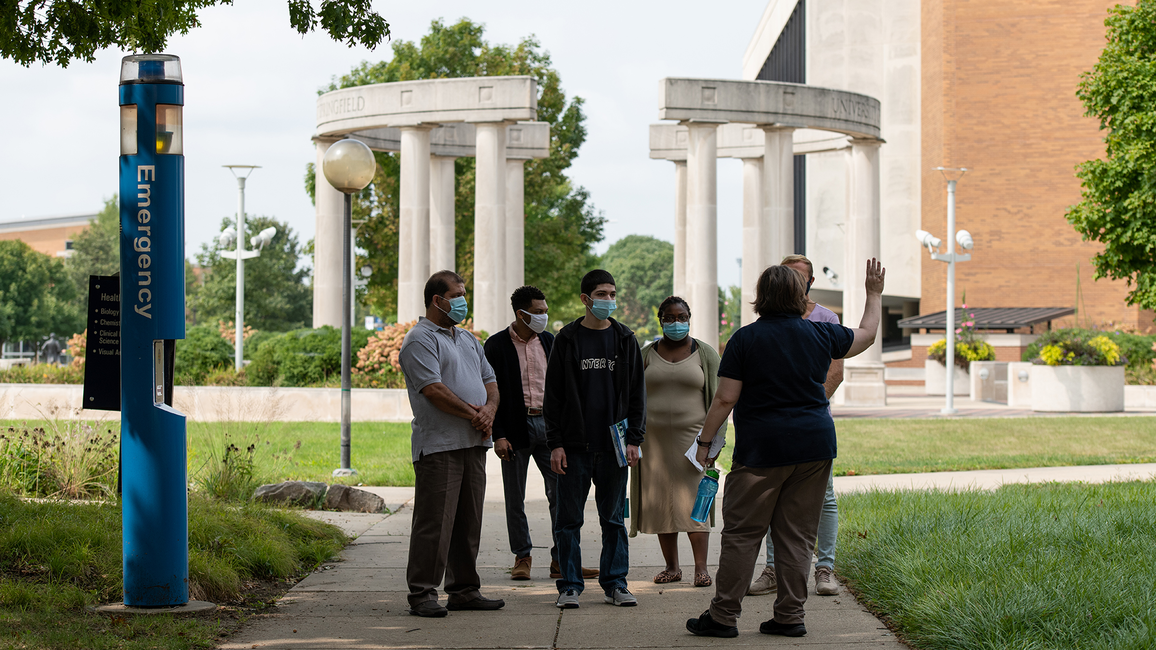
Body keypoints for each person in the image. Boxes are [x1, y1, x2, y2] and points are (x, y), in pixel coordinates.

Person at [686, 259, 885, 639]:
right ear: (799, 295)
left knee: (743, 533)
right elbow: (867, 334)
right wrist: (872, 293)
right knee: (797, 535)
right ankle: (790, 616)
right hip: (815, 446)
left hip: (762, 450)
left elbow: (725, 399)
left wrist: (705, 442)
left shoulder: (744, 339)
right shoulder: (821, 334)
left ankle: (723, 616)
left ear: (761, 298)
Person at [398, 270, 504, 618]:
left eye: (463, 293)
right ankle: (423, 594)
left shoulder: (468, 339)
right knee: (435, 523)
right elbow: (433, 390)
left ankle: (463, 590)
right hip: (440, 445)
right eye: (457, 295)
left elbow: (490, 381)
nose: (462, 300)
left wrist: (489, 411)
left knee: (468, 522)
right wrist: (474, 415)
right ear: (437, 300)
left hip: (474, 444)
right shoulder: (420, 339)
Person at [545, 269, 646, 609]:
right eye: (601, 294)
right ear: (585, 299)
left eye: (612, 294)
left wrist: (634, 439)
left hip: (614, 448)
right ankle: (570, 586)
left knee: (614, 519)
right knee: (568, 520)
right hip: (574, 447)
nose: (608, 300)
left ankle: (616, 583)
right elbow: (553, 397)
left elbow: (637, 396)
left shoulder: (625, 339)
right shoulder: (567, 339)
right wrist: (555, 443)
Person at [483, 285, 598, 582]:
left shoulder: (551, 341)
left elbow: (563, 389)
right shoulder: (495, 346)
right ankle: (522, 556)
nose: (544, 317)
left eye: (545, 312)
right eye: (538, 313)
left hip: (550, 428)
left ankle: (562, 559)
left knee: (562, 494)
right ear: (520, 314)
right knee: (514, 498)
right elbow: (490, 392)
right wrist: (498, 434)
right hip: (514, 428)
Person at [749, 254, 844, 598]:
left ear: (810, 282)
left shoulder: (826, 319)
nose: (792, 281)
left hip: (813, 423)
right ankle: (773, 569)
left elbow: (836, 370)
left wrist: (806, 403)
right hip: (775, 426)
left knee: (826, 498)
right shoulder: (767, 321)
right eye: (786, 275)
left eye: (799, 277)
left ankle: (825, 568)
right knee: (775, 498)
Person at [629, 296, 721, 587]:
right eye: (670, 318)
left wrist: (712, 444)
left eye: (682, 317)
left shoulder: (705, 354)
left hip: (695, 442)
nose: (676, 322)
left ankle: (701, 569)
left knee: (697, 503)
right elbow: (631, 397)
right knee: (661, 503)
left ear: (689, 319)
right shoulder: (645, 353)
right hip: (652, 443)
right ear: (661, 320)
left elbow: (720, 400)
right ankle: (672, 568)